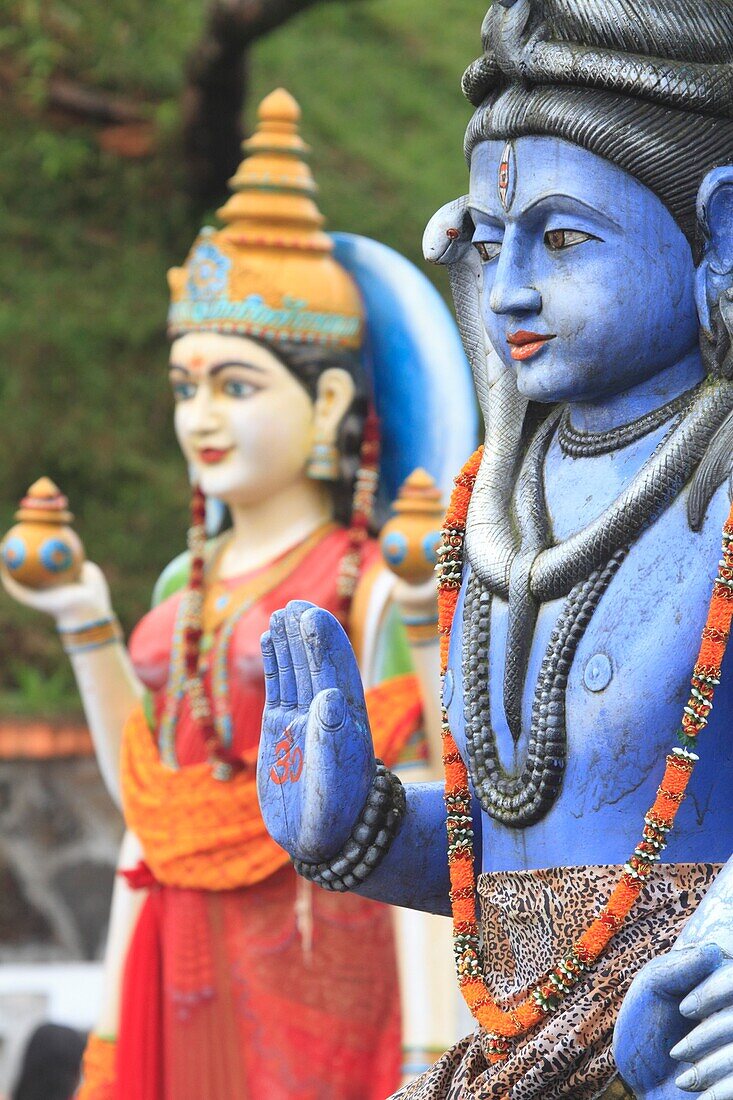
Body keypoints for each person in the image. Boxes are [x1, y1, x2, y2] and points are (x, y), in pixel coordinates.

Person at [256, 5, 733, 1098]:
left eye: (563, 238)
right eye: (488, 239)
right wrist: (361, 828)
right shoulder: (495, 510)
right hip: (516, 1055)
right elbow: (522, 859)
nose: (510, 287)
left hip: (678, 1044)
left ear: (719, 235)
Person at [1, 89, 476, 1099]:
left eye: (236, 384)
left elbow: (430, 811)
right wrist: (86, 616)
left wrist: (433, 1049)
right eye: (185, 386)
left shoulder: (371, 588)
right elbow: (153, 813)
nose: (201, 417)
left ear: (331, 401)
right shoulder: (186, 586)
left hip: (325, 959)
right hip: (183, 951)